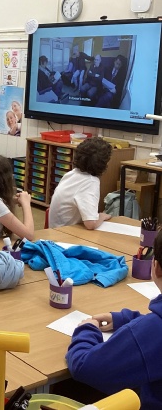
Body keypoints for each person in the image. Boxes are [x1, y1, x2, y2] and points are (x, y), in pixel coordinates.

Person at [66, 230, 162, 408]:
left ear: (155, 267)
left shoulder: (154, 332)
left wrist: (87, 329)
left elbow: (84, 367)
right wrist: (126, 319)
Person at [48, 137, 112, 229]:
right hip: (65, 233)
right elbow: (91, 224)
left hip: (55, 229)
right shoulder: (90, 182)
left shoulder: (72, 174)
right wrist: (102, 216)